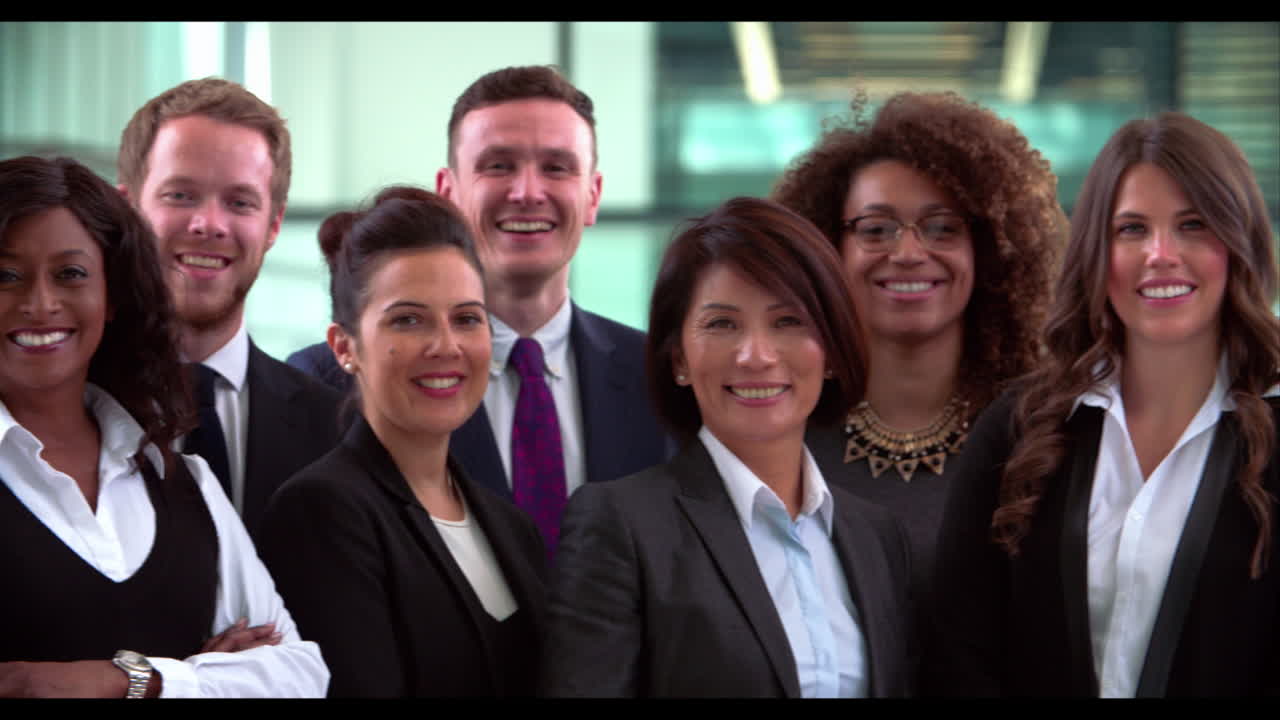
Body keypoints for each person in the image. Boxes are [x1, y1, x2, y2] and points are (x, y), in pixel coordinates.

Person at [926, 112, 1280, 696]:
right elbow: (960, 653)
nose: (1161, 254)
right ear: (1097, 250)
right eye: (1132, 229)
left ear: (1238, 243)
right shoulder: (1017, 430)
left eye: (1193, 225)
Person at [287, 65, 674, 555]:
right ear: (447, 191)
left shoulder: (660, 378)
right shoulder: (324, 383)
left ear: (592, 195)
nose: (527, 192)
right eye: (498, 165)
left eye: (557, 167)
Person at [540, 196, 913, 698]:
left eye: (788, 322)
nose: (755, 355)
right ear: (678, 359)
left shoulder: (876, 537)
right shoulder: (620, 525)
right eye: (722, 324)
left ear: (831, 352)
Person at [0, 155, 327, 698]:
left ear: (112, 298)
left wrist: (134, 680)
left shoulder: (187, 484)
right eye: (6, 274)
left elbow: (300, 676)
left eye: (71, 274)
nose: (40, 303)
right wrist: (206, 678)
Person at [771, 90, 1065, 606]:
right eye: (876, 229)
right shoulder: (779, 430)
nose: (908, 252)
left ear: (990, 250)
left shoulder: (1041, 435)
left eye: (942, 228)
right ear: (828, 250)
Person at [257, 186, 547, 697]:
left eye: (466, 318)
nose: (446, 345)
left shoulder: (510, 525)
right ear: (345, 347)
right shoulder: (322, 513)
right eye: (408, 319)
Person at [116, 77, 343, 539]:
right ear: (128, 210)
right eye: (180, 195)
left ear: (274, 224)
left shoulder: (338, 430)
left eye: (239, 202)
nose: (209, 224)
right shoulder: (58, 410)